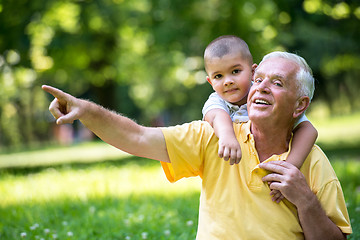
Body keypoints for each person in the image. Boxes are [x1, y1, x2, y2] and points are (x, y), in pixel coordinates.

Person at [42, 51, 352, 239]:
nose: (262, 88)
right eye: (258, 79)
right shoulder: (213, 135)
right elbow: (137, 136)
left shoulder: (312, 162)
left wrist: (305, 200)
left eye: (278, 83)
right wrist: (87, 110)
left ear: (300, 106)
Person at [202, 36, 318, 202]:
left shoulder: (263, 94)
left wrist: (289, 168)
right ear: (210, 81)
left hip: (268, 169)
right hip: (234, 171)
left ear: (253, 71)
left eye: (235, 71)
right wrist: (227, 136)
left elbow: (308, 130)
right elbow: (216, 115)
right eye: (218, 76)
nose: (227, 81)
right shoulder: (217, 100)